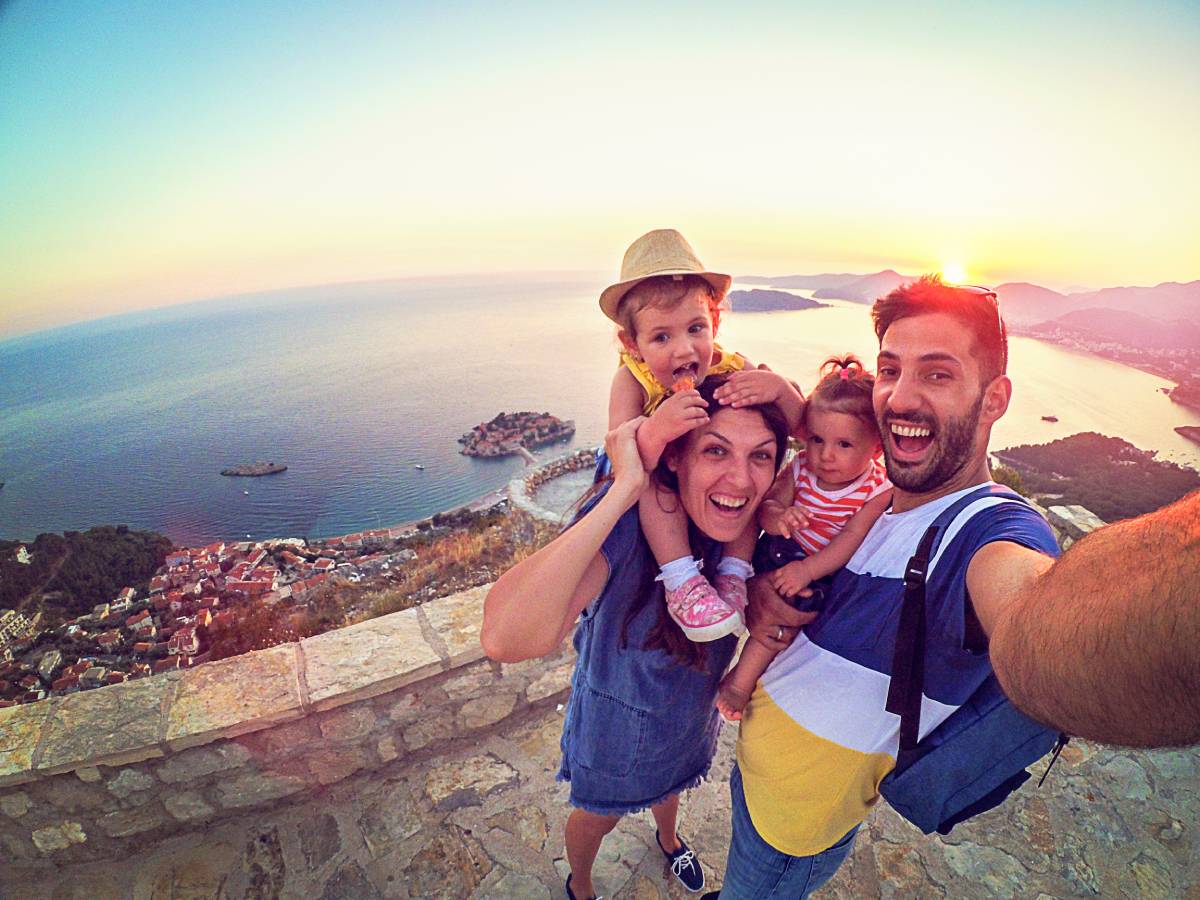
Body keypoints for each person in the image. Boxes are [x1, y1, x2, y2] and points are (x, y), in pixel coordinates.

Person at [710, 276, 1066, 899]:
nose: (899, 398)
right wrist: (765, 586)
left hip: (797, 826)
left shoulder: (984, 531)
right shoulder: (867, 504)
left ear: (993, 399)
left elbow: (1040, 615)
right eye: (890, 370)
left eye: (937, 374)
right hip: (756, 775)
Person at [481, 378, 792, 900]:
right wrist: (624, 486)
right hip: (616, 729)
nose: (740, 479)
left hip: (690, 718)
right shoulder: (629, 532)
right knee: (596, 818)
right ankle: (580, 885)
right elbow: (504, 637)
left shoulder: (747, 532)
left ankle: (668, 840)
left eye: (760, 456)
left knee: (671, 789)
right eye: (716, 450)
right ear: (675, 460)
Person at [601, 228, 803, 643]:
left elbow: (800, 425)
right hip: (659, 477)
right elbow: (621, 455)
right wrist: (656, 431)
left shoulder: (732, 364)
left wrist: (779, 389)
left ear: (714, 321)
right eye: (662, 337)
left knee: (744, 484)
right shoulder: (632, 381)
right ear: (631, 343)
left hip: (709, 482)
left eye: (695, 329)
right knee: (657, 492)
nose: (684, 350)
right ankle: (682, 582)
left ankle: (733, 574)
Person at [716, 355, 892, 721]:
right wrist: (781, 517)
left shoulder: (875, 489)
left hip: (819, 567)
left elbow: (851, 539)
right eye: (816, 439)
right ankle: (738, 683)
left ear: (875, 448)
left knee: (789, 623)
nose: (825, 455)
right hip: (780, 553)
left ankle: (751, 678)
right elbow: (767, 507)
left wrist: (808, 570)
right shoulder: (800, 469)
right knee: (777, 624)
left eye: (844, 445)